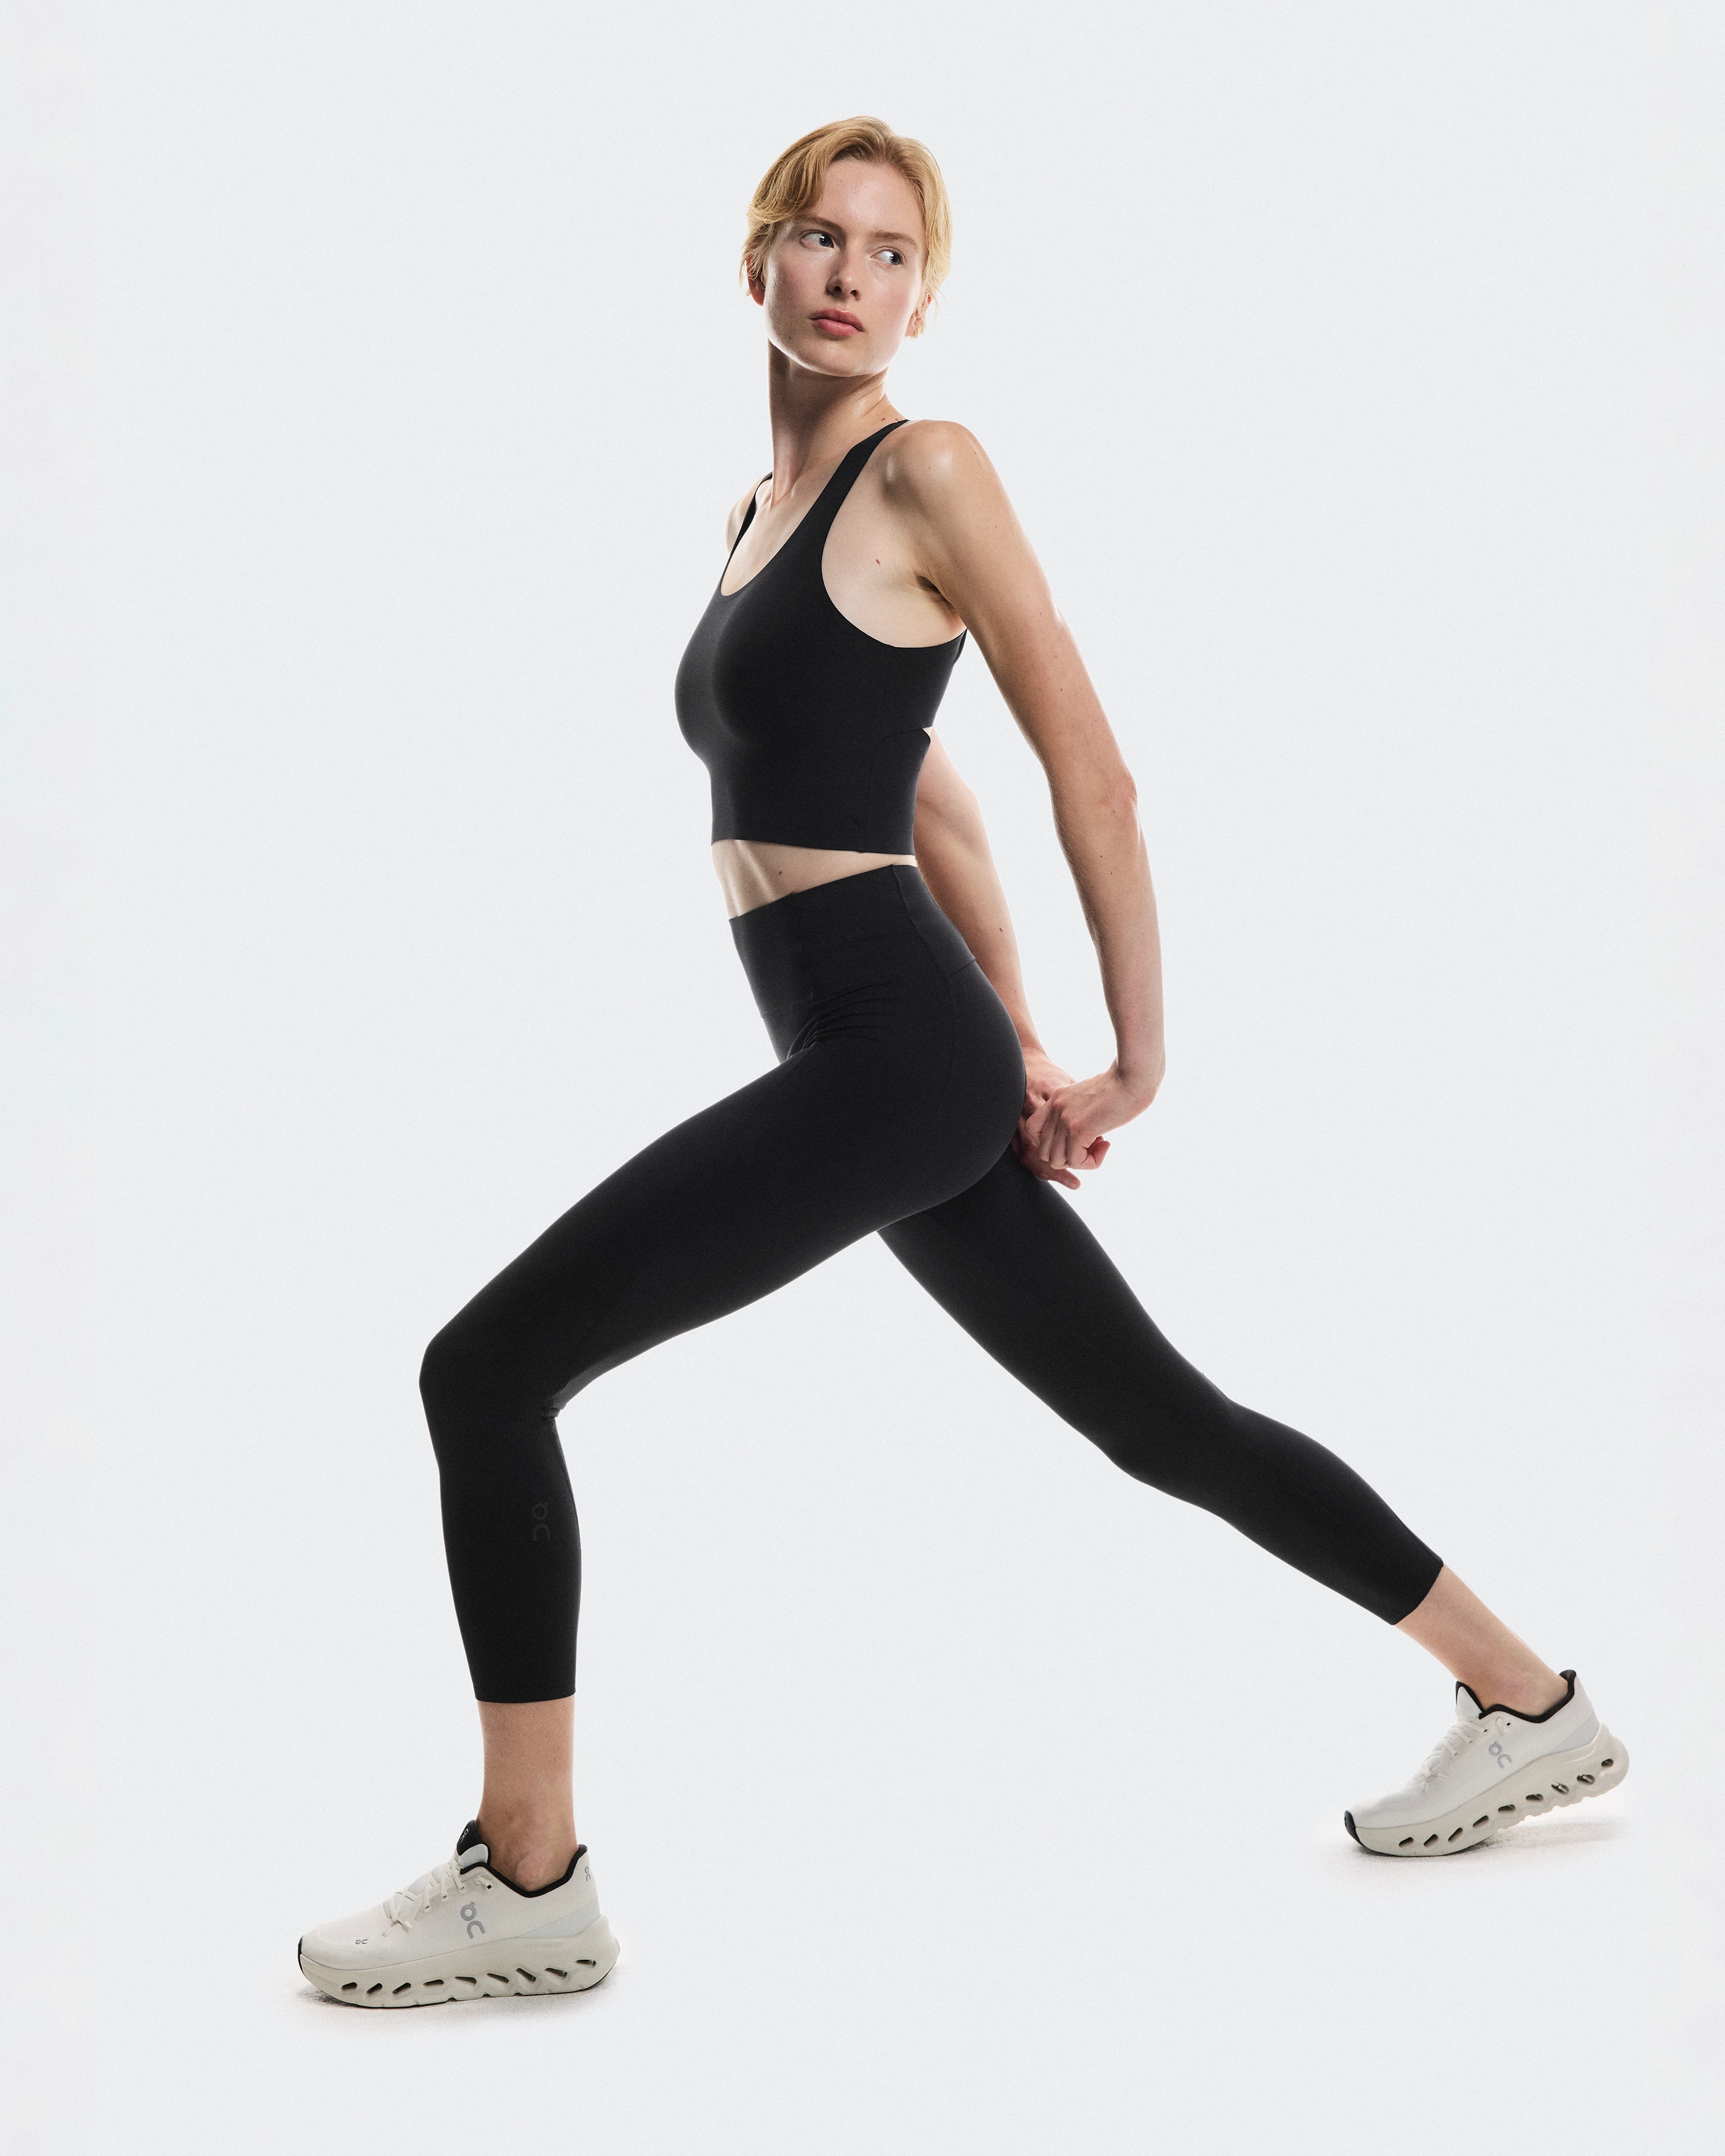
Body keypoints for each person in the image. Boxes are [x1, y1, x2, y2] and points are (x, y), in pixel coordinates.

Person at [298, 116, 1627, 2008]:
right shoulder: (759, 517)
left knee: (488, 1368)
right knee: (1158, 1418)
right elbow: (937, 795)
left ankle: (531, 1884)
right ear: (754, 257)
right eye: (822, 239)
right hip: (892, 1038)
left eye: (896, 252)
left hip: (877, 1047)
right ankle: (1529, 1697)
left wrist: (1128, 1054)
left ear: (929, 289)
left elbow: (1089, 764)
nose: (854, 276)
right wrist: (1005, 1035)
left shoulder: (931, 469)